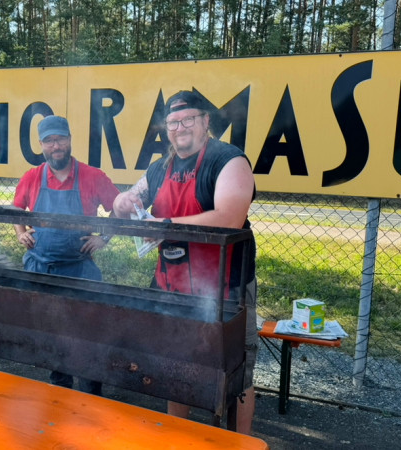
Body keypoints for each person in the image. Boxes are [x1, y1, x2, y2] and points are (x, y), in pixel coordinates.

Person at [113, 90, 257, 434]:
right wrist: (124, 200)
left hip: (225, 288)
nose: (180, 127)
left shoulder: (229, 160)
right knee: (175, 364)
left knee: (235, 372)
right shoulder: (159, 168)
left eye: (188, 119)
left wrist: (164, 227)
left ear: (206, 122)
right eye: (173, 122)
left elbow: (229, 217)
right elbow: (128, 198)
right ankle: (178, 437)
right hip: (171, 285)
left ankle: (241, 443)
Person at [13, 115, 120, 395]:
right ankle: (59, 390)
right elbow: (15, 211)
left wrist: (104, 237)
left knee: (86, 334)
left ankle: (89, 392)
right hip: (41, 269)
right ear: (41, 145)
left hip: (80, 269)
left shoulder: (93, 176)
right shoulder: (32, 177)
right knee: (51, 333)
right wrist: (20, 232)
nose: (56, 145)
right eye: (49, 141)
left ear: (70, 140)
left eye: (60, 138)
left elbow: (119, 209)